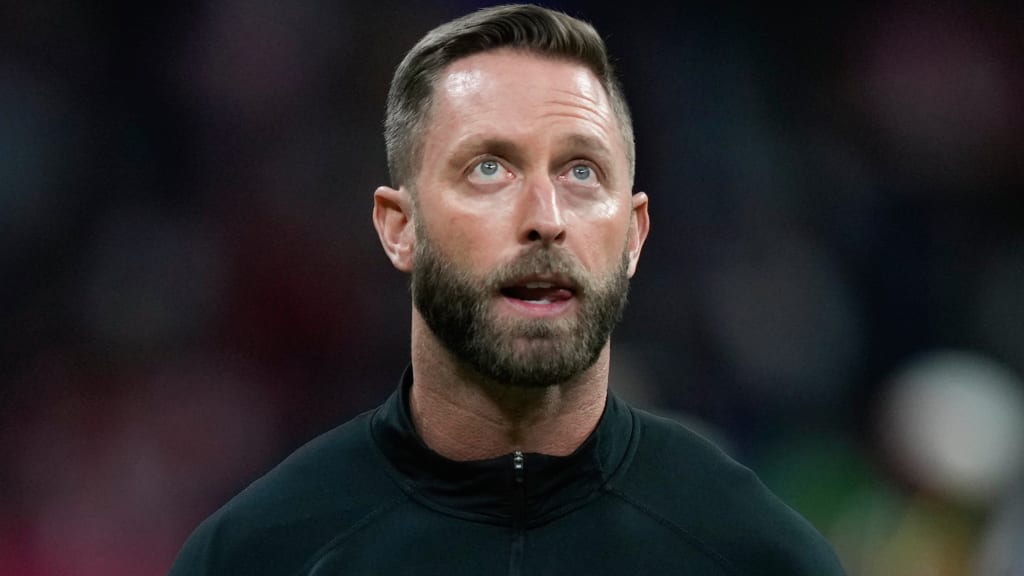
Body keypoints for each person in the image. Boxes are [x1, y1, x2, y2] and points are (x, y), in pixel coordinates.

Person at [169, 4, 847, 575]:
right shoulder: (259, 555)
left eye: (581, 172)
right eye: (489, 169)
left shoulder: (756, 556)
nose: (545, 220)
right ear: (400, 228)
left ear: (635, 234)